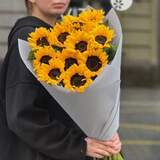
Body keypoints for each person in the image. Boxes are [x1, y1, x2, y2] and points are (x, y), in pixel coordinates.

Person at [0, 0, 122, 160]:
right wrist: (78, 145)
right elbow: (22, 115)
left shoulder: (67, 36)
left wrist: (105, 132)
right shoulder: (26, 39)